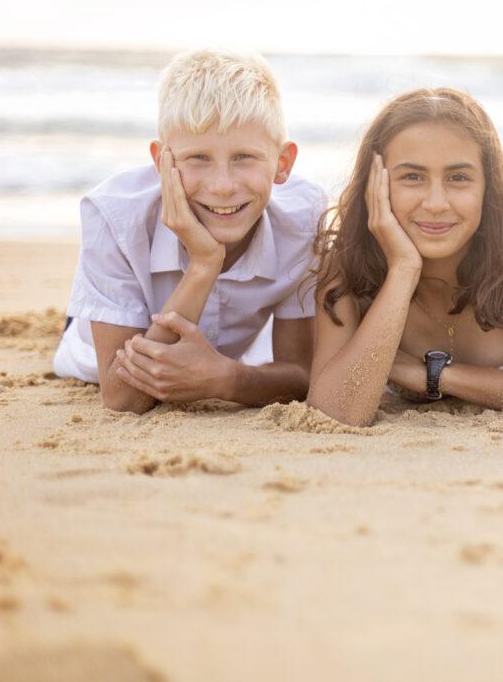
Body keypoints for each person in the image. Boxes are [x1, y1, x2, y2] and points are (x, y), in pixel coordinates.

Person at [307, 88, 503, 426]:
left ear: (487, 187)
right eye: (413, 177)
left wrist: (435, 377)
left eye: (458, 178)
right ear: (376, 183)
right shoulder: (346, 263)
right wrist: (403, 269)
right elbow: (333, 414)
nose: (436, 203)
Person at [52, 48, 326, 413]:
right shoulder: (114, 216)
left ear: (283, 163)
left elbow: (300, 374)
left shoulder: (305, 218)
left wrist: (227, 378)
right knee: (93, 332)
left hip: (228, 349)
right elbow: (124, 398)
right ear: (160, 161)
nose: (223, 186)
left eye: (244, 157)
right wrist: (204, 263)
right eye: (198, 158)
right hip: (95, 344)